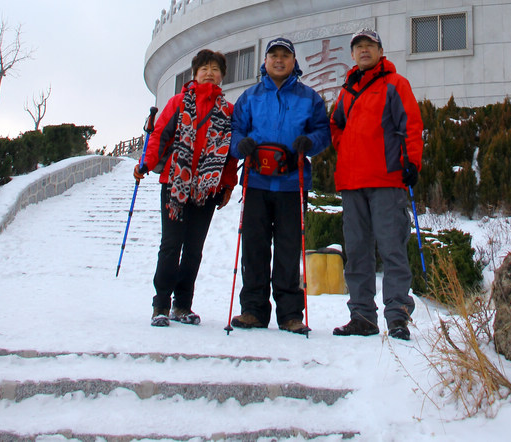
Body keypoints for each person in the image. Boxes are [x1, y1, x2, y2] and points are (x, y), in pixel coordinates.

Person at [229, 36, 331, 334]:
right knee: (254, 248)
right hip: (257, 183)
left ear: (293, 61)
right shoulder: (250, 96)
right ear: (265, 61)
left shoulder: (309, 98)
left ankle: (290, 314)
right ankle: (253, 311)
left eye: (284, 55)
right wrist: (240, 145)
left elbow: (323, 131)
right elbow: (235, 129)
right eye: (273, 55)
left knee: (288, 250)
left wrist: (309, 142)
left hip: (291, 184)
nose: (278, 60)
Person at [330, 29, 423, 340]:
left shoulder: (396, 85)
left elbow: (411, 124)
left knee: (392, 248)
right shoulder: (346, 92)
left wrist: (412, 162)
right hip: (352, 184)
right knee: (356, 251)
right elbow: (335, 125)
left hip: (387, 180)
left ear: (381, 51)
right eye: (358, 47)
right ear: (353, 55)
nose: (364, 50)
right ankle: (362, 316)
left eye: (370, 45)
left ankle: (397, 316)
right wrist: (346, 150)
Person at [134, 48, 237, 326]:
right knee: (170, 245)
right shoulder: (178, 102)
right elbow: (159, 135)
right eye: (204, 68)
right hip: (175, 183)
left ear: (222, 77)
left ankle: (183, 305)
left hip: (207, 189)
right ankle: (160, 305)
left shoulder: (228, 111)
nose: (210, 73)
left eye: (215, 69)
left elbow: (231, 154)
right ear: (195, 74)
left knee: (193, 248)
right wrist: (146, 163)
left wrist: (228, 184)